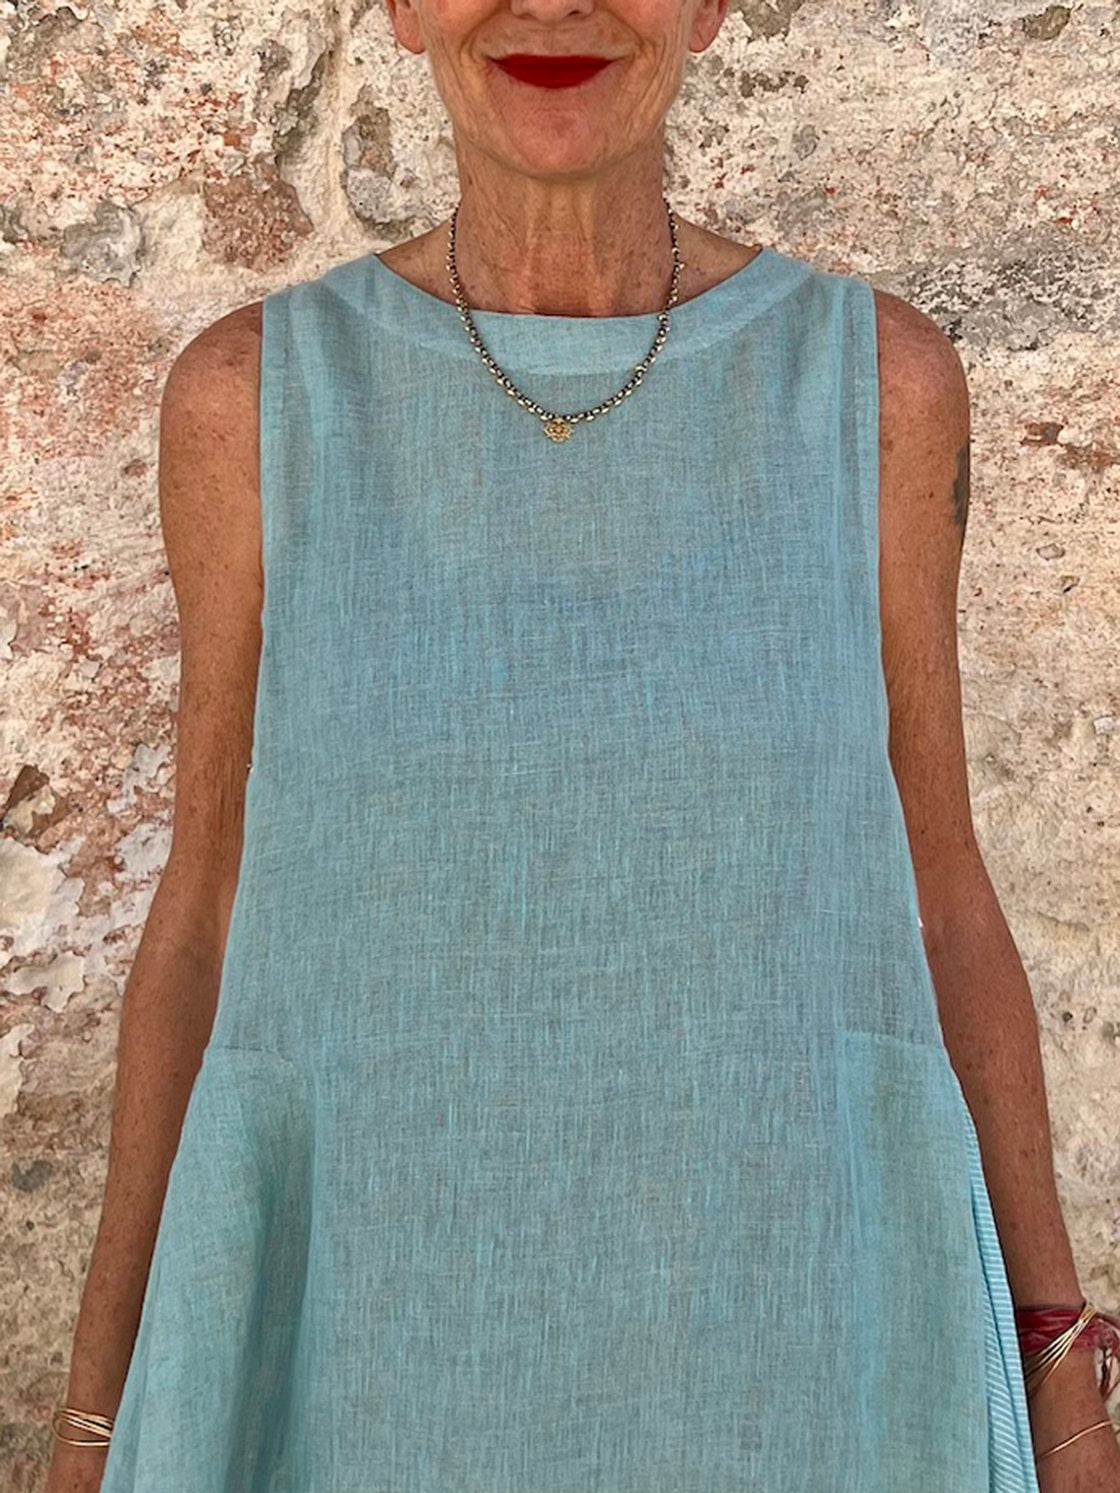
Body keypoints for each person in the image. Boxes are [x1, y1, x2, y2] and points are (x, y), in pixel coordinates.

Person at [48, 0, 1120, 1488]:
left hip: (809, 1358)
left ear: (711, 8)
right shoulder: (253, 408)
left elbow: (940, 896)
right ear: (402, 11)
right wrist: (95, 1418)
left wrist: (1062, 1372)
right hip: (369, 1362)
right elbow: (205, 915)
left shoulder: (876, 391)